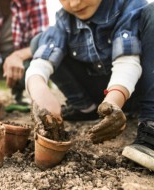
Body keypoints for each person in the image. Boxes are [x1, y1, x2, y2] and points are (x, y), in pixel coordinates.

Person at [26, 0, 154, 170]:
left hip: (137, 88)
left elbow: (127, 62)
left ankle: (151, 123)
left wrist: (114, 101)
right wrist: (39, 89)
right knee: (39, 42)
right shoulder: (65, 19)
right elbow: (41, 62)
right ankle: (85, 108)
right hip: (101, 95)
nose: (75, 3)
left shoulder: (128, 6)